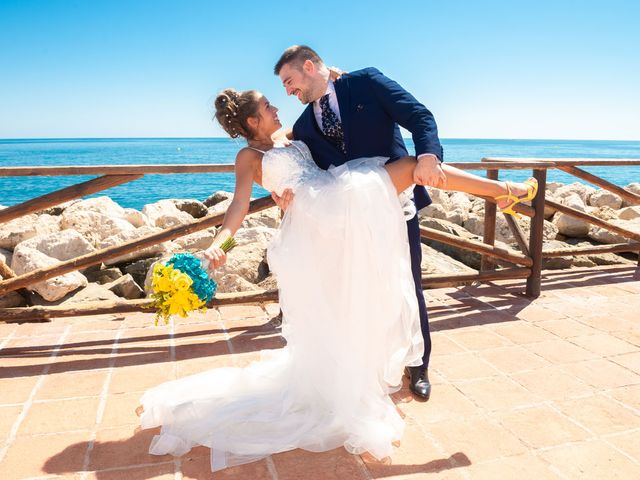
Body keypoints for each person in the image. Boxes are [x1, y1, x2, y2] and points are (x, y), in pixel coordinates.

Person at [136, 86, 537, 472]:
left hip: (331, 204)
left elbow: (319, 104)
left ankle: (504, 194)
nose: (277, 109)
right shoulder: (247, 156)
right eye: (269, 106)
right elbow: (239, 204)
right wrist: (217, 244)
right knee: (415, 167)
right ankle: (505, 192)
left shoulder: (287, 135)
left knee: (351, 295)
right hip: (323, 208)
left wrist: (336, 78)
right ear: (252, 120)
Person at [271, 45, 534, 399]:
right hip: (352, 216)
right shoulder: (303, 124)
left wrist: (427, 156)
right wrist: (282, 189)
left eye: (289, 81)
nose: (288, 91)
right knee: (364, 287)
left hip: (397, 201)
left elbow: (419, 116)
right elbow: (302, 167)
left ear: (308, 66)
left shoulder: (365, 81)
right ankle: (370, 362)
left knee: (409, 281)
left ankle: (419, 365)